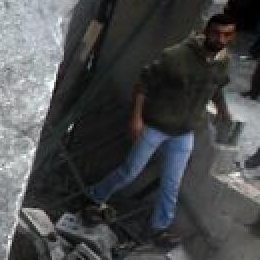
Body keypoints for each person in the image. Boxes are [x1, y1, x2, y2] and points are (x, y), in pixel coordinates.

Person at [86, 14, 236, 246]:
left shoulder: (223, 61)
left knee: (172, 183)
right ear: (206, 31)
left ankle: (159, 228)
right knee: (130, 171)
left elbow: (216, 86)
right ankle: (95, 196)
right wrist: (136, 118)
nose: (220, 39)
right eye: (216, 33)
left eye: (227, 35)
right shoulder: (176, 56)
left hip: (184, 131)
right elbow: (142, 84)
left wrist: (223, 111)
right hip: (155, 125)